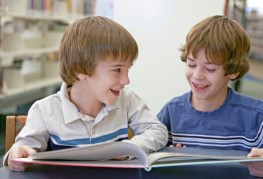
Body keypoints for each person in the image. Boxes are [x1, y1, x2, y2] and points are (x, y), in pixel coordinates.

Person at [3, 16, 168, 171]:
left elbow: (158, 131)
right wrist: (16, 154)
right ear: (80, 70)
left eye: (128, 69)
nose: (126, 80)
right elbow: (23, 149)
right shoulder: (44, 110)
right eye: (117, 70)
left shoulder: (127, 99)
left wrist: (128, 148)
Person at [157, 15, 263, 177]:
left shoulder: (254, 114)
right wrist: (167, 153)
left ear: (233, 71)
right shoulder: (172, 111)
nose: (197, 75)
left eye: (210, 69)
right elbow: (150, 145)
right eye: (191, 64)